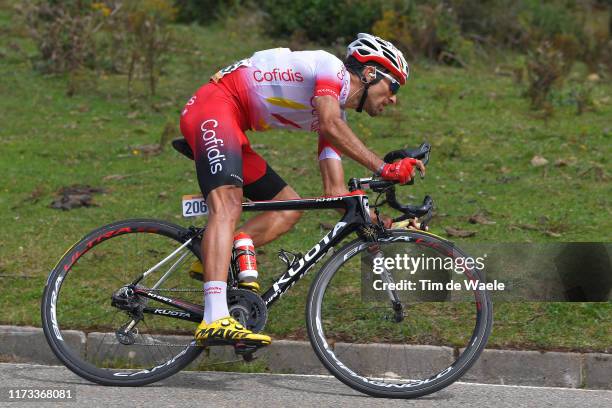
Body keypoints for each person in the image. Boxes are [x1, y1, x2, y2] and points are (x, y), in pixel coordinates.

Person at [179, 33, 425, 348]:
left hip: (231, 123)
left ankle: (217, 251)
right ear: (369, 73)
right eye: (394, 86)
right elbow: (329, 124)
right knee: (228, 204)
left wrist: (386, 225)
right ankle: (214, 318)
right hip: (213, 108)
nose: (394, 98)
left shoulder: (336, 115)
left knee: (289, 206)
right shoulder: (330, 70)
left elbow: (335, 192)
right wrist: (384, 168)